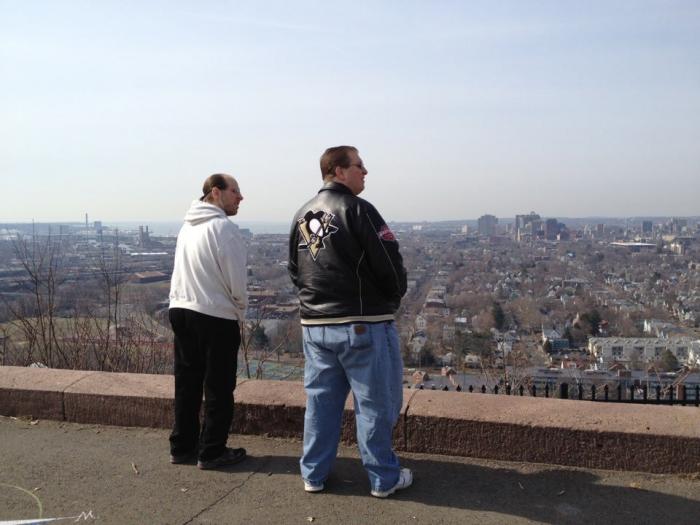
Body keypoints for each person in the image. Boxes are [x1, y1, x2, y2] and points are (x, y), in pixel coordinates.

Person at [288, 146, 411, 498]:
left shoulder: (301, 214)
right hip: (362, 324)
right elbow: (389, 263)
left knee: (321, 403)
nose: (365, 171)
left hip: (315, 326)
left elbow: (295, 271)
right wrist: (391, 300)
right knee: (374, 405)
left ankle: (313, 474)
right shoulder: (359, 209)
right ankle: (383, 478)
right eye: (359, 165)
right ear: (339, 171)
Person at [168, 173, 248, 470]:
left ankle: (182, 446)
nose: (240, 197)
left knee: (187, 383)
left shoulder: (187, 227)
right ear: (216, 192)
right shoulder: (224, 228)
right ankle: (212, 451)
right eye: (235, 191)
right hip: (214, 314)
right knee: (218, 387)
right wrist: (240, 309)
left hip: (181, 308)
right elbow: (237, 280)